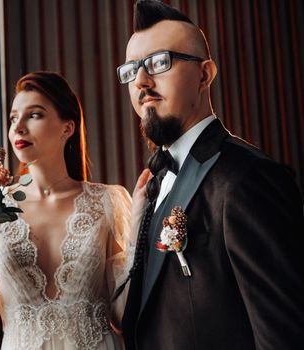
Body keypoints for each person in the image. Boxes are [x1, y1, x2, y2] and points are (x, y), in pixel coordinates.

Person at [118, 1, 304, 350]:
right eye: (131, 70)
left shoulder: (248, 177)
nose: (141, 81)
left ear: (204, 74)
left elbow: (284, 337)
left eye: (159, 63)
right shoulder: (154, 184)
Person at [0, 71, 138, 349]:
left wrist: (139, 233)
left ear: (67, 128)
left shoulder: (108, 201)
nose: (18, 127)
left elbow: (124, 310)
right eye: (13, 117)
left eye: (34, 115)